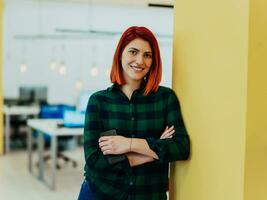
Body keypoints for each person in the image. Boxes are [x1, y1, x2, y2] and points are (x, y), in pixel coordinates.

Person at [78, 26, 190, 200]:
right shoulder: (99, 101)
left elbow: (181, 148)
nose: (140, 61)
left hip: (148, 194)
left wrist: (129, 144)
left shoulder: (165, 98)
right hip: (101, 193)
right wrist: (155, 150)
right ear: (120, 53)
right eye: (133, 52)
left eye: (147, 55)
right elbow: (95, 160)